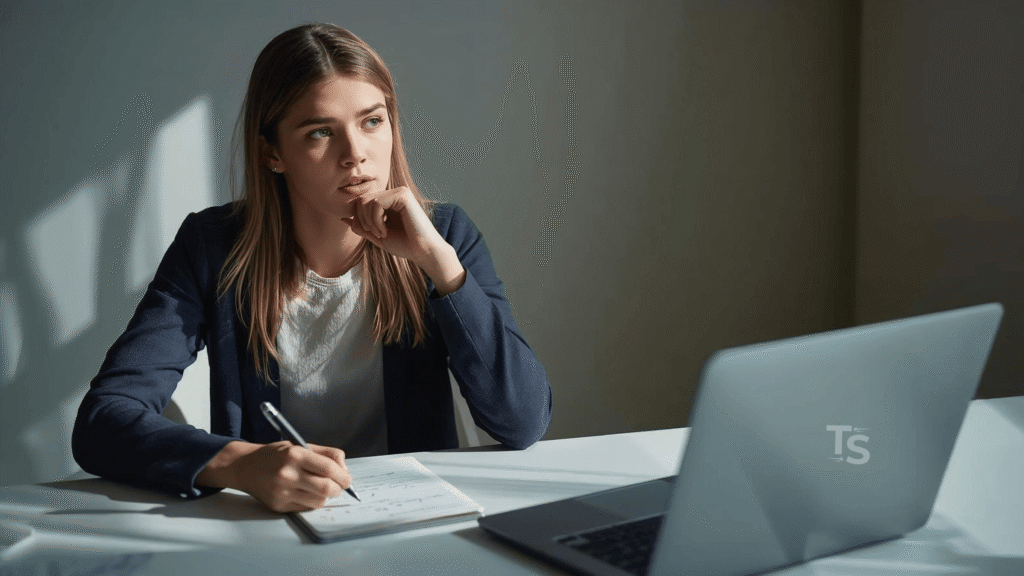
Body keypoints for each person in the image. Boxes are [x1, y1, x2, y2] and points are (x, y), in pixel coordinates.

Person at [72, 23, 552, 513]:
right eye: (321, 132)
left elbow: (523, 420)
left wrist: (441, 265)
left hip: (414, 520)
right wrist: (241, 464)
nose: (356, 155)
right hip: (274, 530)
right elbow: (103, 419)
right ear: (272, 153)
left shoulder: (445, 235)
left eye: (372, 121)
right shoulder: (213, 247)